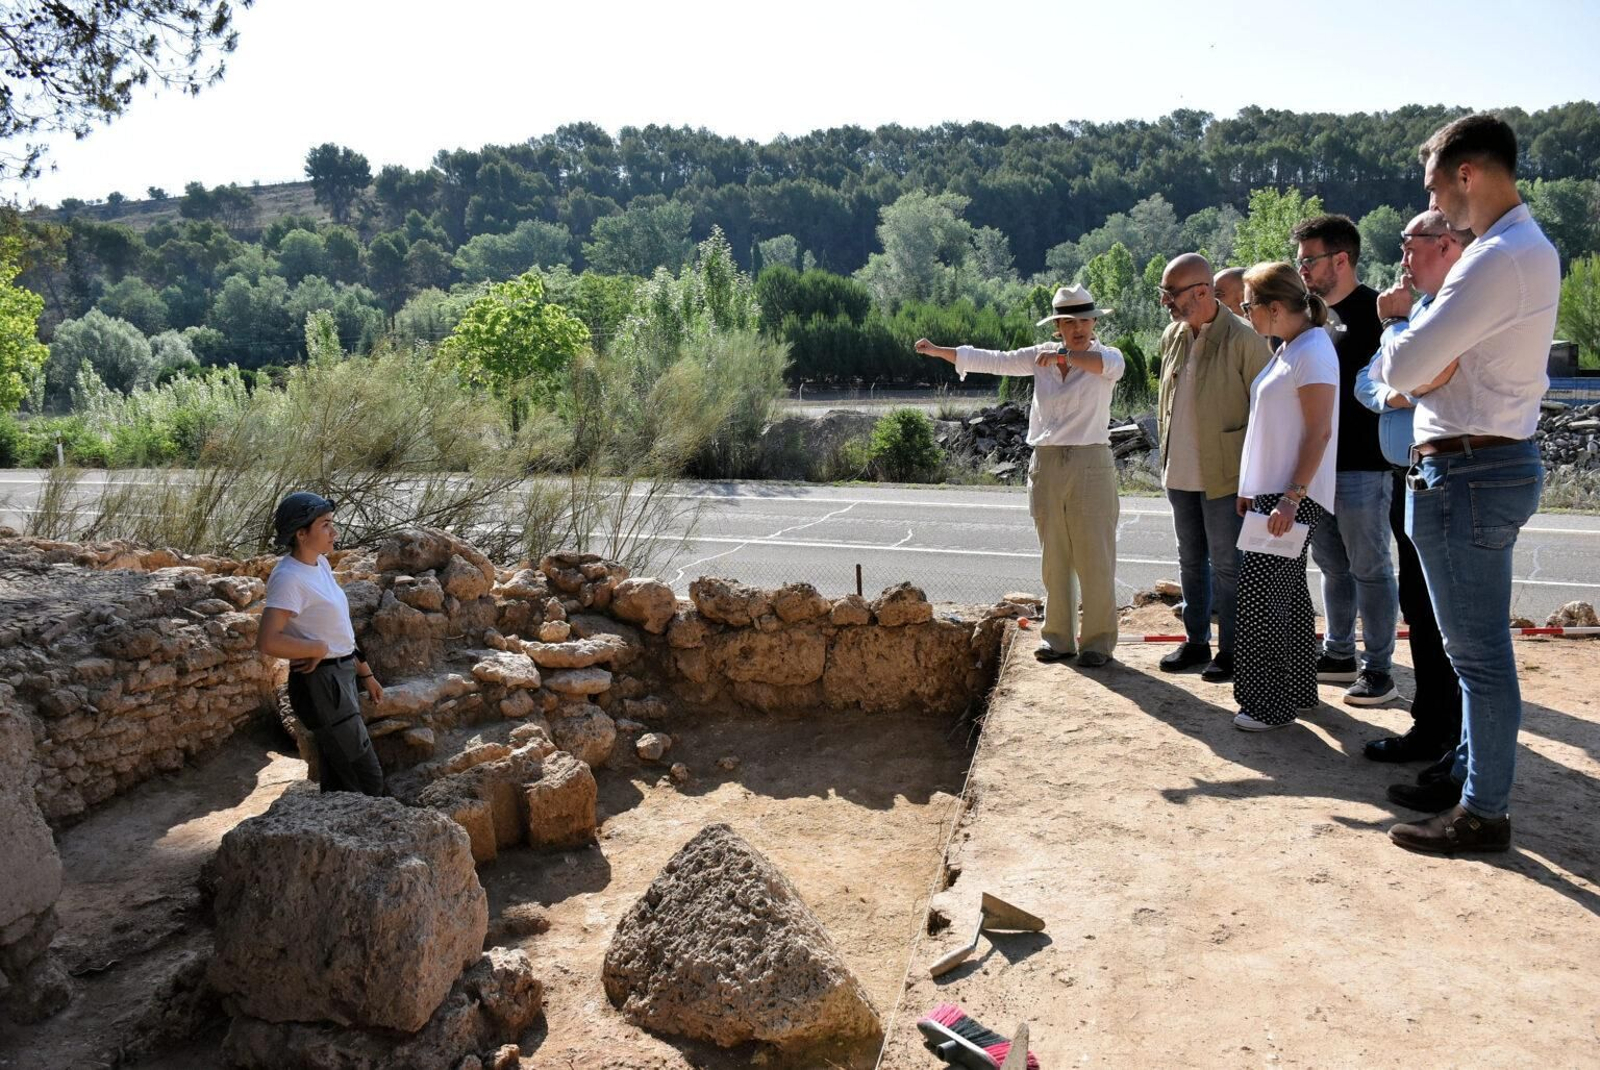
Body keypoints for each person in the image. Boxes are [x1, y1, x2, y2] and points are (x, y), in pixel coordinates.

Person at [1372, 114, 1559, 855]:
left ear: (1467, 175)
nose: (1432, 203)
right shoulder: (1521, 249)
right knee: (1477, 655)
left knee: (1478, 659)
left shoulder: (1493, 259)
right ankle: (1469, 781)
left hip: (1468, 471)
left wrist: (1395, 327)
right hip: (1482, 464)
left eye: (1433, 188)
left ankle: (1482, 812)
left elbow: (1406, 367)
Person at [915, 283, 1124, 667]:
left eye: (1084, 321)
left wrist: (1065, 355)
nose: (1078, 328)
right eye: (1068, 322)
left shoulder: (1108, 356)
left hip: (1091, 463)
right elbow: (994, 360)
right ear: (1057, 326)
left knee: (1095, 556)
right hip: (1046, 462)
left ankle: (1097, 644)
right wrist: (941, 351)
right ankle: (1058, 639)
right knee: (1054, 557)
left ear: (1094, 323)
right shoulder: (1039, 356)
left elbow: (1103, 366)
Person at [1352, 210, 1472, 767]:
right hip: (1412, 474)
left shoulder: (1452, 307)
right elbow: (1367, 382)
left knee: (1450, 615)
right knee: (1419, 607)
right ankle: (1433, 726)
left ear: (1446, 245)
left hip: (1451, 472)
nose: (1402, 260)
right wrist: (1397, 393)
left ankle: (1454, 740)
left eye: (1409, 245)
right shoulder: (1420, 309)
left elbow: (1418, 372)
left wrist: (1396, 327)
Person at [1293, 214, 1401, 708]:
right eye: (1299, 261)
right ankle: (1339, 654)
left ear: (1341, 259)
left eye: (1309, 260)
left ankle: (1379, 669)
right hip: (1319, 467)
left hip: (1365, 467)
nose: (1302, 270)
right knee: (1332, 566)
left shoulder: (1378, 314)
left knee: (1371, 569)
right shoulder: (1311, 318)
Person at [1155, 254, 1274, 683]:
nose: (1165, 302)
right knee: (1190, 561)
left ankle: (1233, 651)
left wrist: (1256, 478)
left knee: (1227, 565)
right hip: (1180, 472)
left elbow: (1265, 412)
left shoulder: (1245, 339)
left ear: (1202, 292)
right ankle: (1196, 642)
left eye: (1171, 293)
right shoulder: (1172, 336)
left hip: (1226, 476)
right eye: (1164, 292)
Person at [1230, 263, 1339, 731]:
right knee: (1287, 595)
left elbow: (1319, 432)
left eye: (1247, 305)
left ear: (1274, 307)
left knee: (1261, 598)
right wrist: (1251, 488)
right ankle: (1296, 690)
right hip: (1275, 492)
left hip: (1291, 493)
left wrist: (1290, 498)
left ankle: (1268, 706)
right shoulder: (1292, 346)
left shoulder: (1311, 350)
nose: (1245, 314)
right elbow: (1271, 426)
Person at [257, 492, 386, 795]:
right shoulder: (288, 578)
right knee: (365, 776)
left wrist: (365, 673)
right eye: (326, 525)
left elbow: (338, 629)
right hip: (321, 683)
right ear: (301, 534)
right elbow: (267, 640)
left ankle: (336, 822)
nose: (334, 532)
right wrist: (315, 649)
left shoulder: (321, 564)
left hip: (340, 677)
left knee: (339, 772)